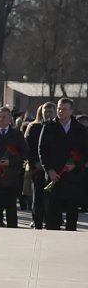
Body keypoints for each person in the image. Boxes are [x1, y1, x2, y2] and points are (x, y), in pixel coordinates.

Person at [39, 98, 88, 231]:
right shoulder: (49, 127)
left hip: (73, 177)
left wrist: (76, 163)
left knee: (72, 212)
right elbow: (42, 150)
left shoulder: (80, 129)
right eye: (59, 109)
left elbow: (85, 151)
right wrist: (49, 169)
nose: (60, 111)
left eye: (64, 109)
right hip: (54, 175)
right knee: (52, 212)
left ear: (71, 111)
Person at [24, 102, 55, 229]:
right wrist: (35, 162)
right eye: (45, 112)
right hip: (37, 168)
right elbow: (28, 148)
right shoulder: (34, 128)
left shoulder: (57, 128)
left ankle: (51, 220)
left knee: (51, 197)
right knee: (37, 196)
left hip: (53, 169)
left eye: (50, 112)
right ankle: (36, 220)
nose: (48, 114)